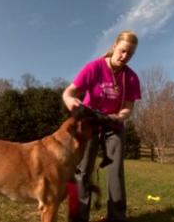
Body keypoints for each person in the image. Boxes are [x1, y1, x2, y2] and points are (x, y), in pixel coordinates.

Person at [62, 30, 141, 222]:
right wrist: (73, 104)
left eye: (130, 54)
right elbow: (68, 93)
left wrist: (119, 117)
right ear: (114, 46)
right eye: (122, 51)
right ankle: (78, 217)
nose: (125, 57)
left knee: (115, 172)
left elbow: (128, 107)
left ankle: (117, 217)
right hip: (89, 122)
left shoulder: (131, 78)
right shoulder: (94, 68)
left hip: (113, 125)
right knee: (82, 171)